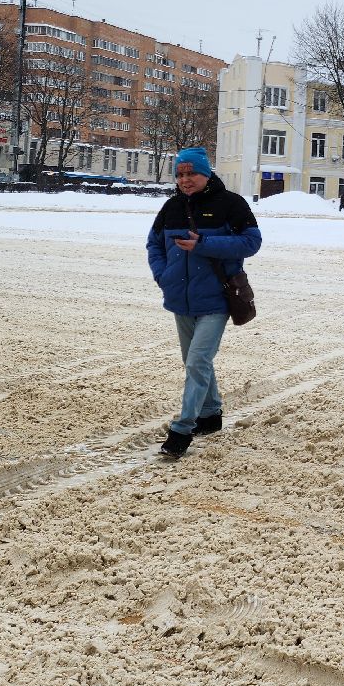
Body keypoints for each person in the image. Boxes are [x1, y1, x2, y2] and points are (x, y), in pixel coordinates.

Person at [146, 147, 262, 460]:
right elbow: (154, 245)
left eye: (191, 173)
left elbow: (252, 242)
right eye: (180, 174)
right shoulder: (171, 207)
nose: (185, 180)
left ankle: (182, 430)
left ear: (206, 173)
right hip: (180, 299)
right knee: (196, 362)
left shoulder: (231, 204)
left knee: (197, 361)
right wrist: (163, 275)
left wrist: (204, 243)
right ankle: (210, 415)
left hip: (216, 299)